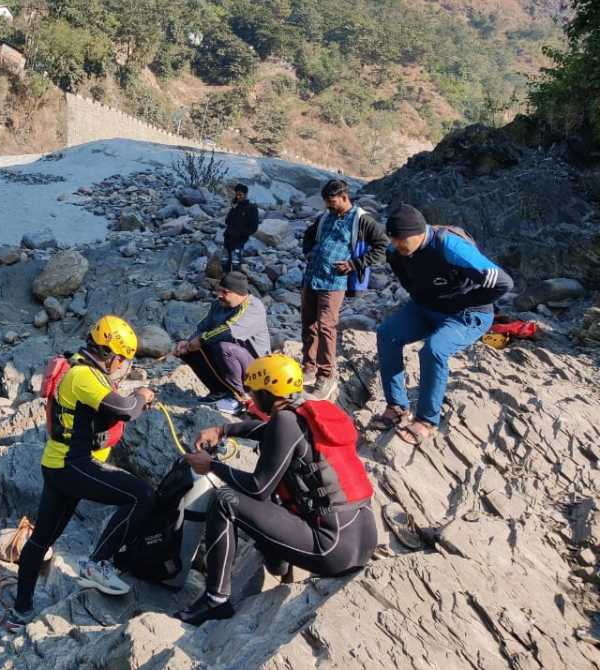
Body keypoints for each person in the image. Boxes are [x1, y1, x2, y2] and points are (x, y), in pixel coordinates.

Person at [173, 354, 377, 625]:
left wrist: (211, 466)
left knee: (226, 501)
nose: (252, 398)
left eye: (255, 392)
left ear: (268, 394)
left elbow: (258, 488)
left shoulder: (285, 421)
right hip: (361, 535)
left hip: (331, 547)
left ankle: (215, 600)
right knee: (281, 498)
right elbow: (269, 431)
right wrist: (223, 430)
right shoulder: (307, 410)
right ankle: (280, 563)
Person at [5, 316, 157, 632]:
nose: (122, 366)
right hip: (75, 466)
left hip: (60, 465)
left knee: (42, 539)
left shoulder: (84, 371)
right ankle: (97, 563)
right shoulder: (83, 377)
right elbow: (127, 408)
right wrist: (143, 396)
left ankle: (21, 611)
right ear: (113, 355)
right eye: (123, 359)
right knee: (141, 496)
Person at [373, 204, 513, 445]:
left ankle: (426, 421)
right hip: (427, 308)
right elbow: (409, 282)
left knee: (434, 350)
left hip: (469, 313)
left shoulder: (449, 246)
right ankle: (397, 407)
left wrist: (463, 302)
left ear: (417, 233)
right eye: (392, 239)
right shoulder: (396, 252)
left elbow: (503, 283)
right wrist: (425, 299)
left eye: (399, 240)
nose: (395, 245)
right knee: (387, 334)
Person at [300, 180, 388, 400]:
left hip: (334, 282)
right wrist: (308, 251)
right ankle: (308, 368)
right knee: (308, 325)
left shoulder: (362, 220)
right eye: (327, 204)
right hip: (312, 277)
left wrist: (354, 264)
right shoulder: (326, 217)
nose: (329, 207)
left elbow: (381, 245)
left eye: (332, 203)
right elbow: (309, 235)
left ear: (344, 197)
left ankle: (326, 375)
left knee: (326, 327)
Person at [172, 272, 270, 415]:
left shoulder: (253, 307)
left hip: (255, 366)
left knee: (225, 348)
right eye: (219, 290)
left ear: (240, 293)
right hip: (228, 359)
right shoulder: (219, 305)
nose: (219, 295)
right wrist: (187, 343)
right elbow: (203, 327)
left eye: (225, 292)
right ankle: (219, 391)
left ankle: (240, 397)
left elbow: (229, 331)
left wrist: (200, 340)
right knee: (189, 351)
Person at [224, 184, 260, 273]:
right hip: (228, 238)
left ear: (245, 194)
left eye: (240, 195)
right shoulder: (235, 207)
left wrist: (242, 234)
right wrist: (233, 208)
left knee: (235, 262)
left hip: (239, 240)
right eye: (237, 194)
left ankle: (235, 282)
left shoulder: (251, 208)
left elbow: (254, 227)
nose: (238, 197)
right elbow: (227, 221)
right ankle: (227, 280)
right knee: (226, 261)